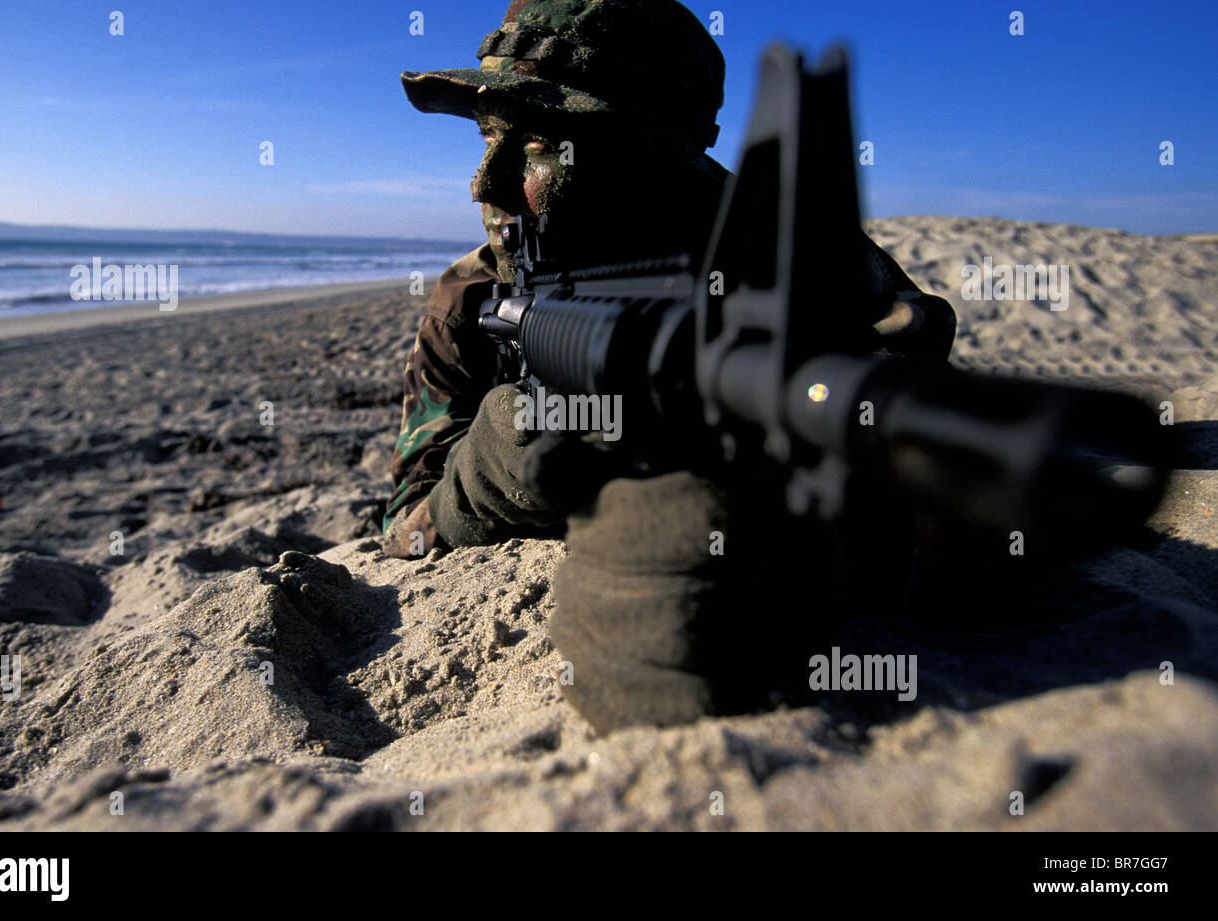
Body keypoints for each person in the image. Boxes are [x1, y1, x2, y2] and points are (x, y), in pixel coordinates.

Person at [385, 0, 956, 732]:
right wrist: (490, 469)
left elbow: (921, 433)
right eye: (488, 136)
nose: (483, 183)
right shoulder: (473, 298)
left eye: (535, 144)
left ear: (660, 150)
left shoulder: (797, 261)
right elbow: (404, 524)